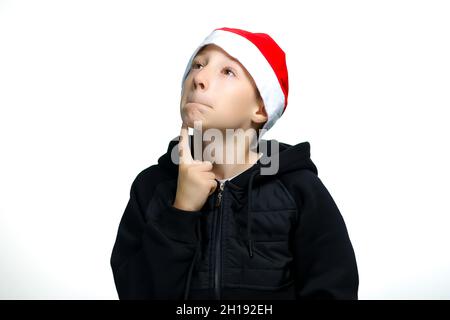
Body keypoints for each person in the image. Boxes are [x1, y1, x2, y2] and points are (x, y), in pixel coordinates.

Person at [110, 27, 359, 300]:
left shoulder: (300, 190)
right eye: (197, 65)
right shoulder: (152, 187)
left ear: (261, 108)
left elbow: (334, 289)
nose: (199, 78)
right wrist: (180, 212)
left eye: (227, 71)